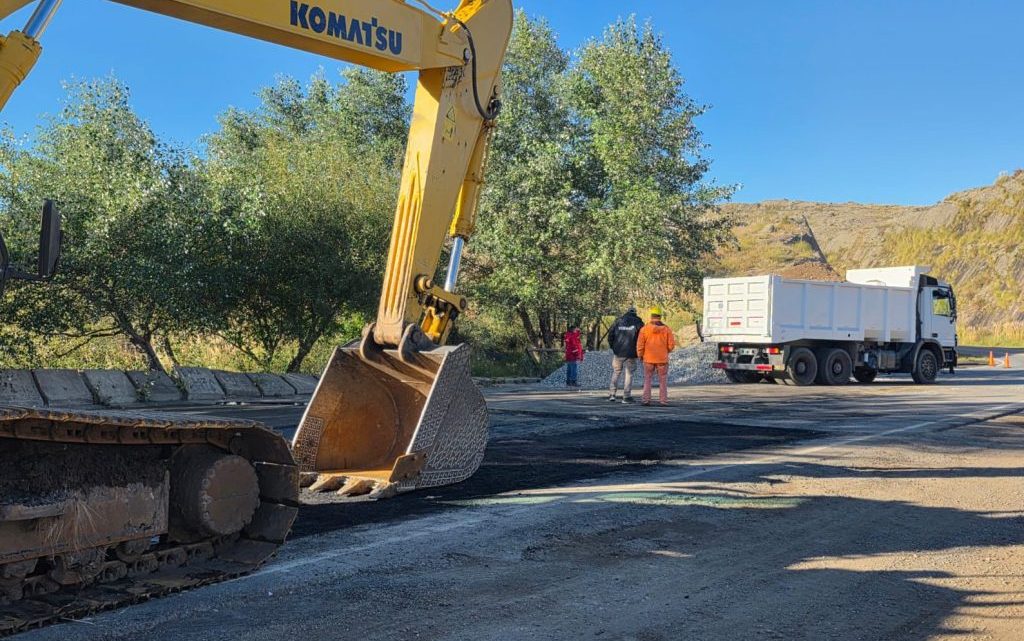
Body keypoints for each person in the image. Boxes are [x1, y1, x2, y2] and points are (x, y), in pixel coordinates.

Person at [636, 307, 675, 406]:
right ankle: (663, 401)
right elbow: (671, 345)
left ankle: (646, 400)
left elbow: (640, 345)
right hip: (662, 359)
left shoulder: (644, 329)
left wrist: (640, 355)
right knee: (663, 380)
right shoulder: (667, 329)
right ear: (660, 316)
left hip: (648, 359)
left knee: (647, 379)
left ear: (651, 316)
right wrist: (665, 351)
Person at [607, 306, 644, 403]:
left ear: (627, 312)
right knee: (629, 374)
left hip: (618, 352)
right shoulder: (639, 323)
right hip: (631, 353)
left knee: (616, 372)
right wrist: (640, 351)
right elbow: (642, 338)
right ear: (635, 313)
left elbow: (610, 335)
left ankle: (612, 394)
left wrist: (614, 347)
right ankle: (626, 396)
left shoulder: (618, 321)